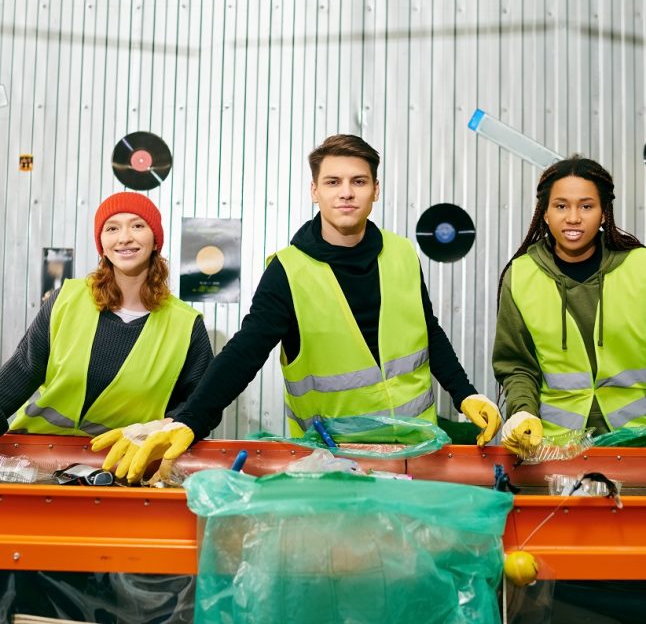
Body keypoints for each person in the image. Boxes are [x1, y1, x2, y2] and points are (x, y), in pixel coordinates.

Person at [93, 134, 501, 481]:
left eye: (359, 181)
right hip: (334, 464)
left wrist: (465, 394)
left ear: (376, 190)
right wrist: (191, 418)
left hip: (416, 456)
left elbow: (427, 331)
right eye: (333, 181)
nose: (346, 192)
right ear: (315, 190)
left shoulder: (401, 254)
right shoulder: (288, 270)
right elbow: (245, 352)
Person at [0, 191, 213, 437]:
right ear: (101, 244)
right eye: (112, 229)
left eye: (137, 225)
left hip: (122, 464)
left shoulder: (185, 325)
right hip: (40, 453)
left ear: (156, 240)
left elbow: (202, 405)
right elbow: (23, 370)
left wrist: (158, 429)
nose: (124, 238)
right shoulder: (66, 299)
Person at [493, 156, 645, 454]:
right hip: (555, 447)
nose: (573, 217)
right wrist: (522, 411)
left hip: (639, 442)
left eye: (586, 206)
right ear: (545, 213)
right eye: (561, 206)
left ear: (603, 213)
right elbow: (517, 365)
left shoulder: (640, 267)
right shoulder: (522, 275)